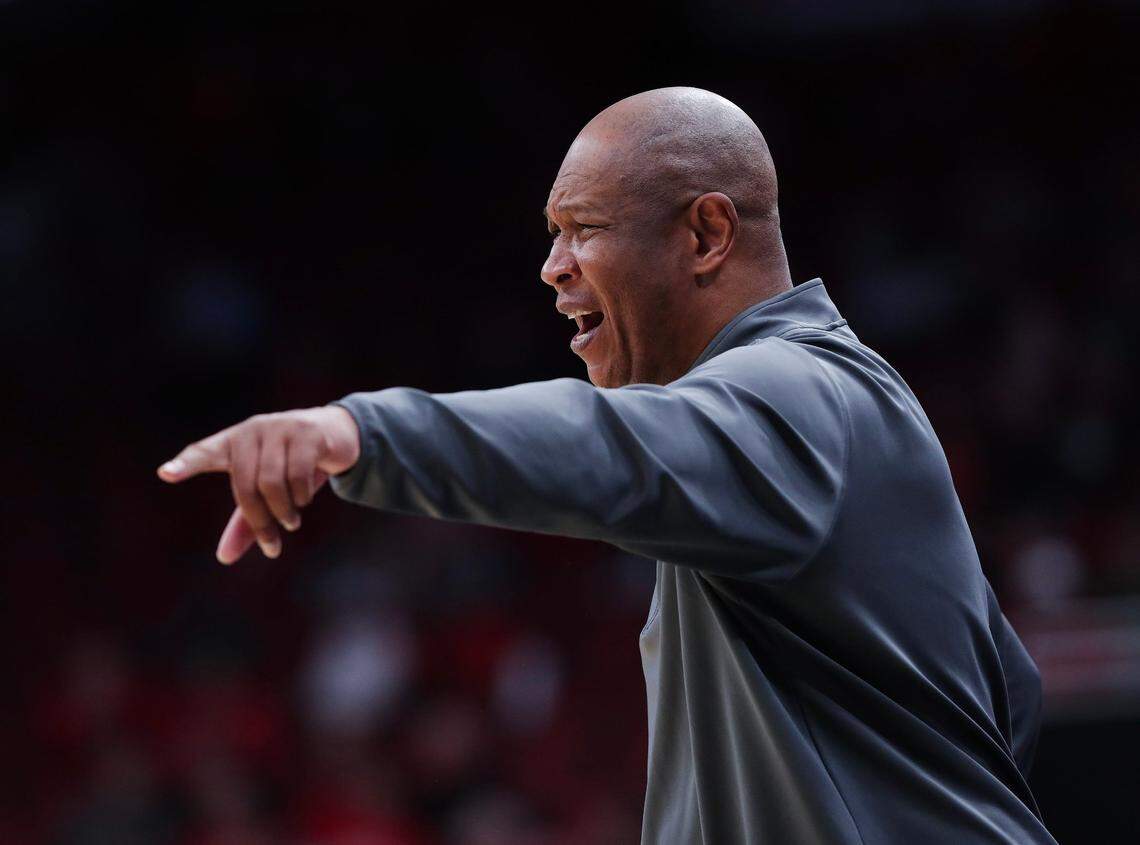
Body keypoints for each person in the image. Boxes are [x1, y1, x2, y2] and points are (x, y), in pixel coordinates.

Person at [158, 87, 1055, 844]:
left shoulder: (794, 390)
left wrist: (360, 433)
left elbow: (607, 445)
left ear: (706, 234)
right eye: (551, 233)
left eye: (582, 228)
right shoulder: (824, 408)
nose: (552, 268)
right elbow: (1009, 690)